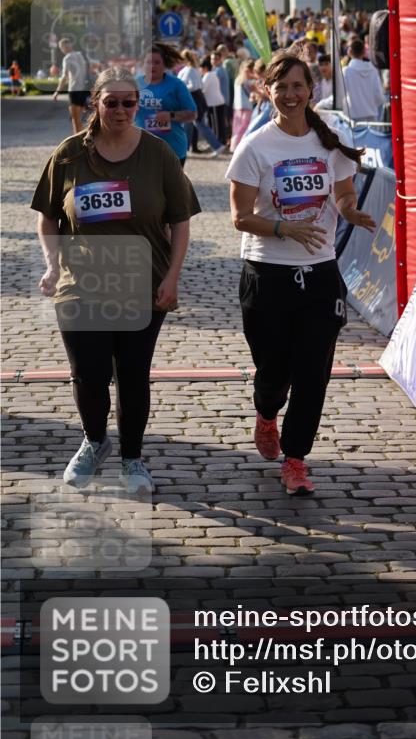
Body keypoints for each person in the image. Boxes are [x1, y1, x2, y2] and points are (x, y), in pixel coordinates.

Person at [32, 68, 201, 495]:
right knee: (87, 375)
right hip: (80, 284)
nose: (121, 110)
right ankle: (94, 440)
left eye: (129, 102)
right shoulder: (69, 154)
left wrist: (173, 276)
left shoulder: (159, 154)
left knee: (132, 374)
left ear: (139, 104)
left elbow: (180, 221)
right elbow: (48, 217)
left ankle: (132, 458)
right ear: (96, 103)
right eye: (112, 102)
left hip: (142, 284)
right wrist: (52, 264)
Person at [227, 51, 376, 495]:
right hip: (267, 273)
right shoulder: (254, 147)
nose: (290, 95)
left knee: (313, 372)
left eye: (298, 86)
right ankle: (267, 411)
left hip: (319, 273)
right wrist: (282, 227)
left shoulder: (330, 143)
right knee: (273, 372)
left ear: (312, 90)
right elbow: (239, 216)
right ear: (266, 91)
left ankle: (295, 459)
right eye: (282, 86)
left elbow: (344, 195)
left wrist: (352, 211)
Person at [136, 43, 197, 166]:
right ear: (143, 64)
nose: (152, 66)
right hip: (140, 149)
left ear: (165, 64)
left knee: (169, 186)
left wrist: (171, 115)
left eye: (157, 62)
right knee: (146, 185)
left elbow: (193, 114)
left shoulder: (176, 85)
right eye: (148, 62)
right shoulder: (134, 84)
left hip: (172, 149)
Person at [178, 49, 225, 156]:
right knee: (189, 125)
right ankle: (185, 148)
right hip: (193, 99)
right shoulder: (191, 69)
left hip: (193, 99)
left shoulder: (190, 70)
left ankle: (217, 146)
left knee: (199, 124)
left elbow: (195, 86)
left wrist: (181, 88)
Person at [53, 38, 90, 133]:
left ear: (63, 47)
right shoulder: (81, 55)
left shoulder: (67, 58)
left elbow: (64, 77)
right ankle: (83, 140)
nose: (62, 50)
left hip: (74, 90)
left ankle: (77, 142)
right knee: (81, 118)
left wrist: (57, 92)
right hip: (84, 89)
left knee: (75, 119)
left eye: (61, 48)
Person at [342, 38, 385, 120]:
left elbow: (341, 95)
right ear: (364, 52)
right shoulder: (373, 70)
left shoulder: (346, 71)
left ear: (349, 52)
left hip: (353, 119)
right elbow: (379, 96)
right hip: (371, 117)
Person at [201, 54, 227, 147]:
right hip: (218, 102)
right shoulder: (212, 74)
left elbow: (202, 89)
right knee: (220, 124)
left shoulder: (207, 75)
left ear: (204, 68)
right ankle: (221, 142)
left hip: (215, 104)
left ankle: (218, 144)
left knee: (216, 125)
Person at [230, 59, 256, 151]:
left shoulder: (238, 79)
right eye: (249, 70)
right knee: (244, 128)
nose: (250, 72)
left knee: (238, 128)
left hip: (237, 107)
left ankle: (235, 147)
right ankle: (239, 147)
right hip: (245, 107)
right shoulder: (247, 81)